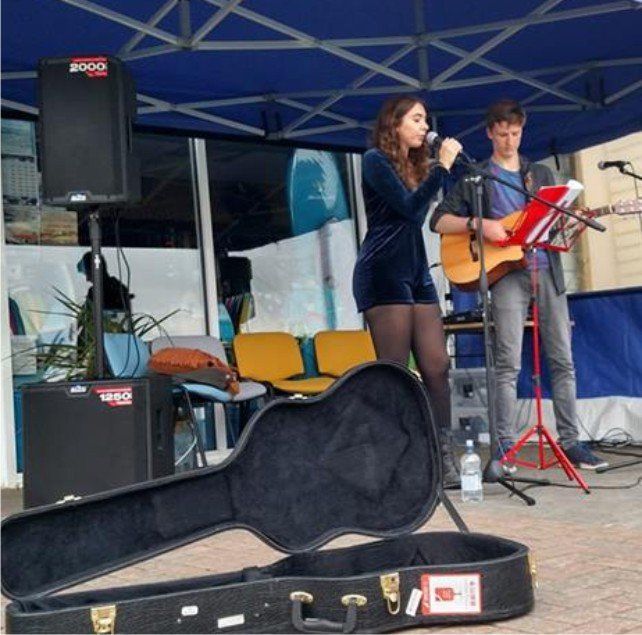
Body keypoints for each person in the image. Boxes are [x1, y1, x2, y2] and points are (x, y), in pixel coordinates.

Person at [431, 99, 608, 470]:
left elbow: (554, 222)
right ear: (489, 133)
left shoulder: (539, 174)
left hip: (548, 270)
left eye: (515, 133)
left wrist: (571, 222)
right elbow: (439, 220)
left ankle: (571, 442)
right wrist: (480, 224)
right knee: (507, 362)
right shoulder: (476, 178)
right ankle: (505, 447)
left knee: (563, 359)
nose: (509, 141)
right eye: (502, 134)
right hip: (507, 274)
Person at [352, 96, 463, 486]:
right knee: (395, 372)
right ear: (394, 123)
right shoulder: (374, 161)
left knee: (436, 365)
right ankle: (391, 462)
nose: (424, 126)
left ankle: (441, 457)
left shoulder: (418, 165)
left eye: (426, 120)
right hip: (383, 270)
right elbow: (411, 211)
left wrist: (439, 170)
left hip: (415, 269)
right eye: (416, 119)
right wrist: (442, 168)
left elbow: (425, 213)